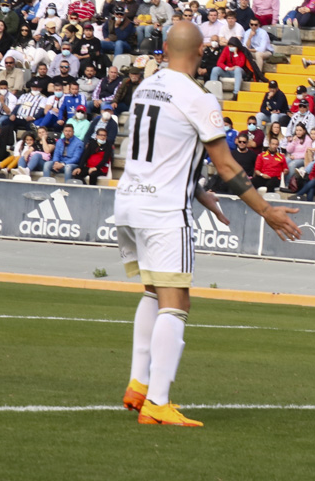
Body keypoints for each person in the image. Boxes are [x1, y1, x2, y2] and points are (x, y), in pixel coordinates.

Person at [117, 21, 300, 427]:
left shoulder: (146, 86)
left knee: (152, 291)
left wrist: (199, 191)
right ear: (201, 53)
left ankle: (138, 385)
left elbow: (161, 151)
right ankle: (158, 404)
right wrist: (267, 211)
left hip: (128, 201)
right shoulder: (197, 97)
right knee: (176, 301)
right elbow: (228, 165)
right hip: (163, 209)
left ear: (165, 48)